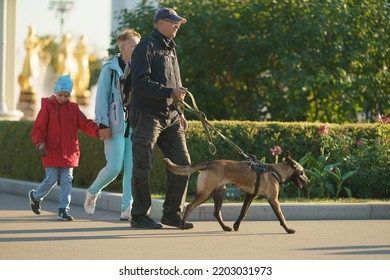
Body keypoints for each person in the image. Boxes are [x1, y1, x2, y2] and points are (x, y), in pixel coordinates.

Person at [129, 7, 192, 229]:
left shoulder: (172, 48)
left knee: (183, 164)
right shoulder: (146, 45)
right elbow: (139, 83)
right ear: (160, 23)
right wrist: (168, 93)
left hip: (172, 115)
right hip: (147, 114)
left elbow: (177, 86)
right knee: (142, 166)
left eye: (178, 23)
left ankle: (171, 214)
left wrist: (180, 111)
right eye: (173, 22)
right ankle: (139, 216)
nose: (177, 25)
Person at [83, 29, 141, 221]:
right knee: (115, 167)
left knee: (131, 168)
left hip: (135, 124)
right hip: (115, 124)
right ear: (123, 47)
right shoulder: (110, 68)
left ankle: (127, 208)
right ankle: (92, 192)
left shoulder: (141, 67)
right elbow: (101, 98)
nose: (138, 48)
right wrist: (102, 124)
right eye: (134, 45)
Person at [28, 75, 100, 221]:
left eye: (66, 95)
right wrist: (40, 143)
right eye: (60, 95)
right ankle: (35, 196)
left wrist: (98, 132)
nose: (62, 98)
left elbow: (85, 124)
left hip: (69, 152)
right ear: (55, 93)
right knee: (51, 178)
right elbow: (38, 129)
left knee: (67, 179)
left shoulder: (73, 108)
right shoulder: (47, 107)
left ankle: (63, 209)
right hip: (51, 150)